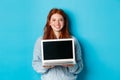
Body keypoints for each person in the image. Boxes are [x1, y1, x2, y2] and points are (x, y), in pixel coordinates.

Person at [32, 8, 83, 80]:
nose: (57, 23)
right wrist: (46, 66)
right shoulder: (40, 41)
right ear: (49, 22)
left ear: (64, 22)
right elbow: (35, 64)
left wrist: (70, 65)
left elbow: (80, 66)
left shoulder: (73, 40)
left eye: (60, 20)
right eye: (54, 20)